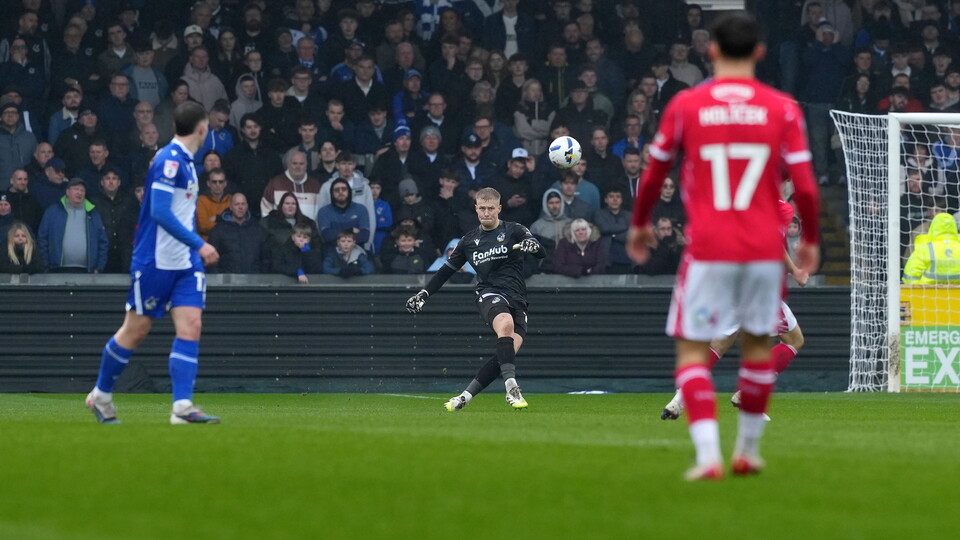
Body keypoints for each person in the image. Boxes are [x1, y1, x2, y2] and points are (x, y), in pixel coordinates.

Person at [625, 13, 820, 481]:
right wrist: (809, 239)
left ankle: (709, 455)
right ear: (759, 53)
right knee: (756, 345)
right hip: (758, 251)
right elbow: (807, 186)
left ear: (710, 51)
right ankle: (747, 452)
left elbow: (653, 173)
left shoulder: (688, 104)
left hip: (708, 246)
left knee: (695, 351)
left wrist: (640, 224)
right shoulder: (782, 108)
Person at [84, 101, 221, 425]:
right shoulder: (168, 160)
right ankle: (101, 395)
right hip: (155, 261)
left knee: (192, 326)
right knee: (135, 331)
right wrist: (199, 243)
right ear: (201, 128)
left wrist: (192, 249)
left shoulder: (188, 162)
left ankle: (182, 407)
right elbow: (159, 211)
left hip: (185, 264)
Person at [405, 187, 546, 412]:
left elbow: (540, 252)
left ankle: (464, 397)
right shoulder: (468, 241)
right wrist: (424, 294)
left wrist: (533, 245)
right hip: (489, 293)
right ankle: (512, 388)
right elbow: (445, 271)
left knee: (504, 355)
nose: (487, 213)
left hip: (518, 298)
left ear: (499, 208)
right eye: (482, 208)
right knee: (506, 326)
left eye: (491, 208)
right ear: (476, 209)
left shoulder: (515, 230)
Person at [37, 177, 108, 273]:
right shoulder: (53, 212)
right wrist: (45, 265)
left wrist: (99, 267)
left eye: (82, 190)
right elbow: (42, 238)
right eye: (76, 189)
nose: (79, 193)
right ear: (67, 192)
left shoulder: (93, 214)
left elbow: (103, 242)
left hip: (87, 271)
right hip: (57, 269)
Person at [207, 192, 270, 273]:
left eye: (243, 204)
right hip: (226, 282)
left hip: (254, 281)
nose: (240, 207)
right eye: (237, 204)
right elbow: (212, 259)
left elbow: (266, 259)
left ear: (247, 206)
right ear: (230, 207)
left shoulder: (258, 230)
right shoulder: (218, 230)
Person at [903, 212, 960, 284]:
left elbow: (909, 276)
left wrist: (921, 289)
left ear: (933, 227)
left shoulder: (924, 249)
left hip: (928, 293)